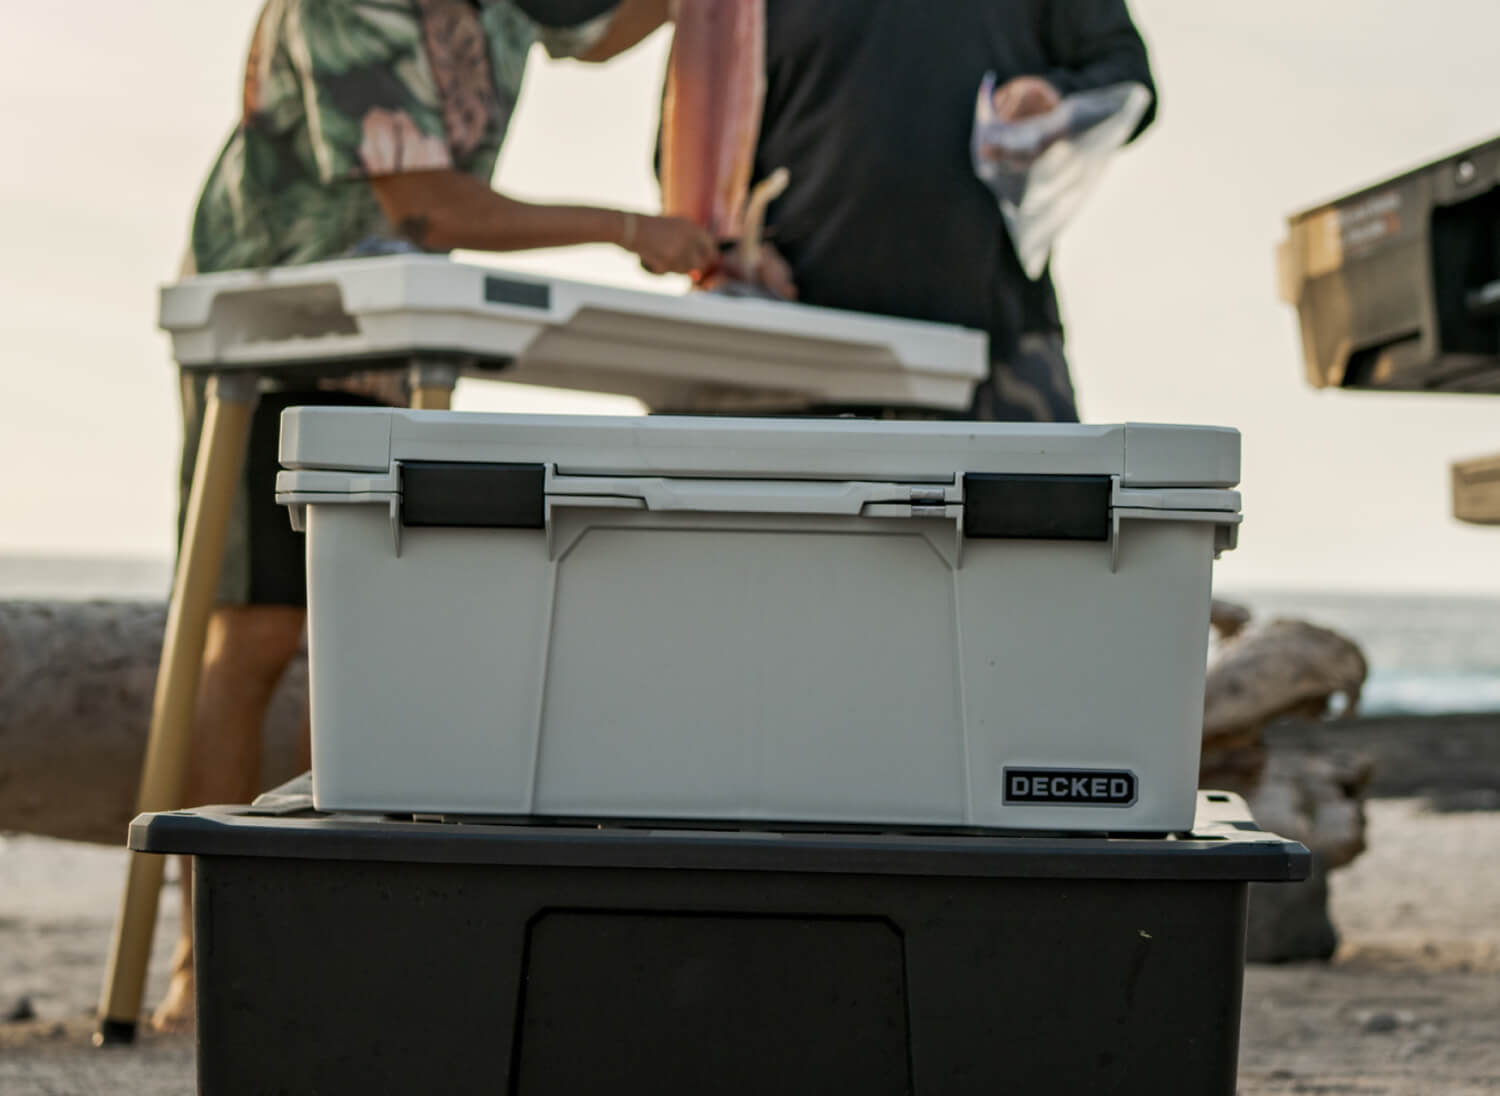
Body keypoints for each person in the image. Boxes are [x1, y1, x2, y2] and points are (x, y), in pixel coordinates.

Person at [155, 0, 716, 1032]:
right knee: (258, 632)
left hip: (399, 333)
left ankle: (344, 936)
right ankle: (206, 954)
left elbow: (602, 29)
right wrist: (631, 228)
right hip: (273, 314)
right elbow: (423, 203)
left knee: (372, 629)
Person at [708, 0, 1157, 423]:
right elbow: (694, 141)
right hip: (785, 360)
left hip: (995, 350)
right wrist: (736, 243)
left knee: (1049, 503)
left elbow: (1124, 74)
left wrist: (1055, 99)